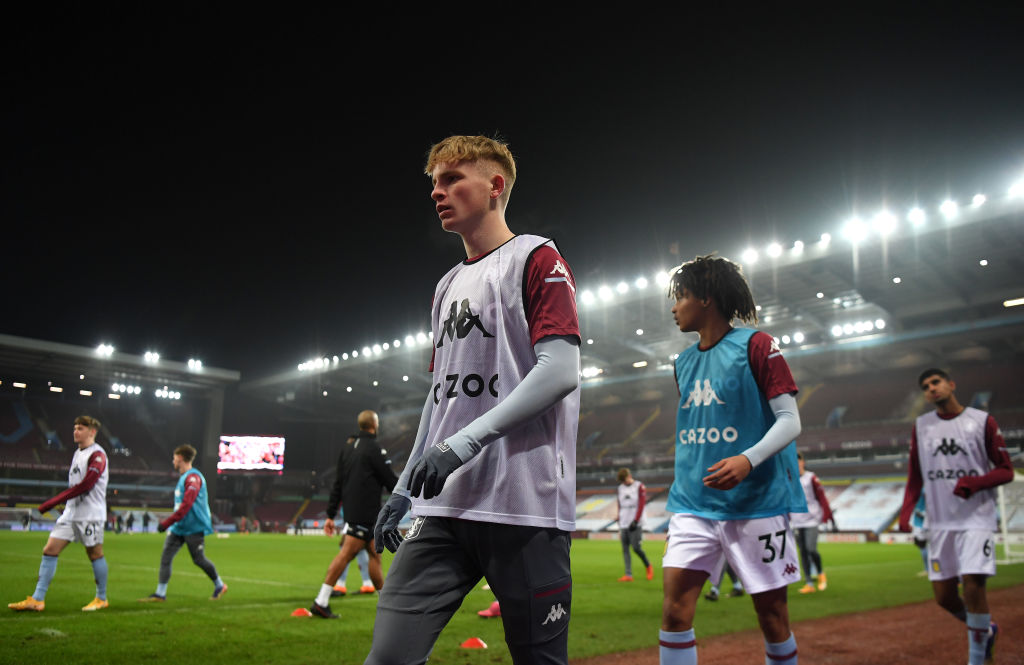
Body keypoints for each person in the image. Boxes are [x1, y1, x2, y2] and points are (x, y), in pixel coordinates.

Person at [367, 135, 582, 664]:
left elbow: (560, 371)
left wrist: (462, 445)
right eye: (434, 183)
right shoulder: (446, 285)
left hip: (522, 504)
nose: (437, 192)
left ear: (494, 186)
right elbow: (439, 397)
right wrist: (403, 488)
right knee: (389, 657)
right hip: (442, 505)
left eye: (452, 179)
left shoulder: (537, 257)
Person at [660, 255, 806, 665]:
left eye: (681, 297)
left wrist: (747, 459)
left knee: (773, 618)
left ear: (706, 299)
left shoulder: (757, 345)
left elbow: (790, 420)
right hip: (693, 504)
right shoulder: (683, 362)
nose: (674, 307)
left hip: (756, 503)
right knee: (674, 614)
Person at [898, 368, 1013, 665]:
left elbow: (1006, 470)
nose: (931, 388)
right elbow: (915, 475)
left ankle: (977, 658)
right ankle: (986, 630)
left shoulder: (982, 421)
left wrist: (975, 483)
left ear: (951, 384)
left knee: (973, 585)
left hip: (976, 518)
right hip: (940, 522)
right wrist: (906, 511)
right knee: (944, 597)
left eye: (936, 382)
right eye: (926, 386)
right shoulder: (921, 426)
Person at [9, 415, 110, 612]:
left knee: (95, 554)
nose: (76, 431)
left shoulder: (98, 455)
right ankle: (37, 599)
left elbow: (86, 484)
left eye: (80, 428)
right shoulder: (77, 453)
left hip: (90, 514)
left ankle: (101, 598)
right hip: (71, 513)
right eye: (75, 428)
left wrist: (54, 501)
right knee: (50, 550)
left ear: (92, 432)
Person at [309, 410, 397, 618]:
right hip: (367, 513)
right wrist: (407, 494)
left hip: (353, 511)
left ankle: (387, 609)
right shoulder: (375, 449)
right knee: (347, 553)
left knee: (375, 555)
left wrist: (330, 514)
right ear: (374, 425)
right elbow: (389, 480)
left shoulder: (347, 449)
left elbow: (338, 483)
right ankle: (321, 601)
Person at [139, 444, 227, 602]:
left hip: (194, 526)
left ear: (180, 458)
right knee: (166, 558)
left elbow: (186, 505)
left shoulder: (193, 478)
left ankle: (219, 585)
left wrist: (166, 523)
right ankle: (160, 594)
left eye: (174, 458)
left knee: (198, 559)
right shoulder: (184, 478)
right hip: (179, 526)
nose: (173, 461)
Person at [790, 452, 836, 594]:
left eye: (798, 461)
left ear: (803, 462)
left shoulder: (811, 477)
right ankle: (809, 583)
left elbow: (822, 497)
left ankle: (821, 573)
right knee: (803, 552)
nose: (796, 464)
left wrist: (828, 518)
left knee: (811, 549)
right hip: (797, 521)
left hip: (812, 519)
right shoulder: (789, 479)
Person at [615, 467, 653, 582]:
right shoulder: (620, 488)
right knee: (625, 549)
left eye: (624, 480)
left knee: (636, 547)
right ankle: (628, 574)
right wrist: (619, 517)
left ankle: (648, 565)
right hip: (624, 522)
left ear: (629, 476)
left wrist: (636, 521)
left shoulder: (639, 486)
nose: (624, 483)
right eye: (622, 481)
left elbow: (641, 504)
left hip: (635, 522)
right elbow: (619, 504)